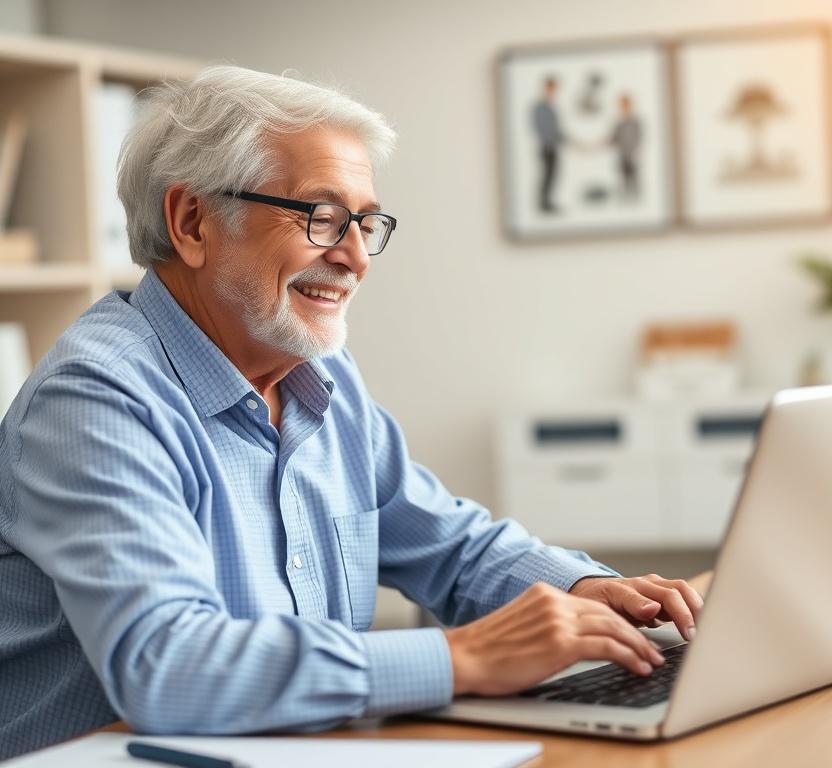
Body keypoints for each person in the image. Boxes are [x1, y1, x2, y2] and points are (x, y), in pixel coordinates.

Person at [0, 66, 703, 760]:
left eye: (367, 223)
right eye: (323, 217)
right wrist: (462, 657)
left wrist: (590, 592)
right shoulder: (96, 399)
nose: (356, 257)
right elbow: (169, 664)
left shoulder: (315, 370)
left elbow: (449, 547)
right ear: (192, 221)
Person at [531, 76, 566, 213]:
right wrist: (552, 140)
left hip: (553, 146)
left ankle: (547, 202)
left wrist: (566, 140)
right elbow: (543, 128)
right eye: (552, 88)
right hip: (547, 147)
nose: (554, 91)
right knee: (547, 175)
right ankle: (544, 204)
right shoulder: (541, 107)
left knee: (552, 175)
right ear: (547, 87)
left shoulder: (550, 106)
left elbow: (556, 129)